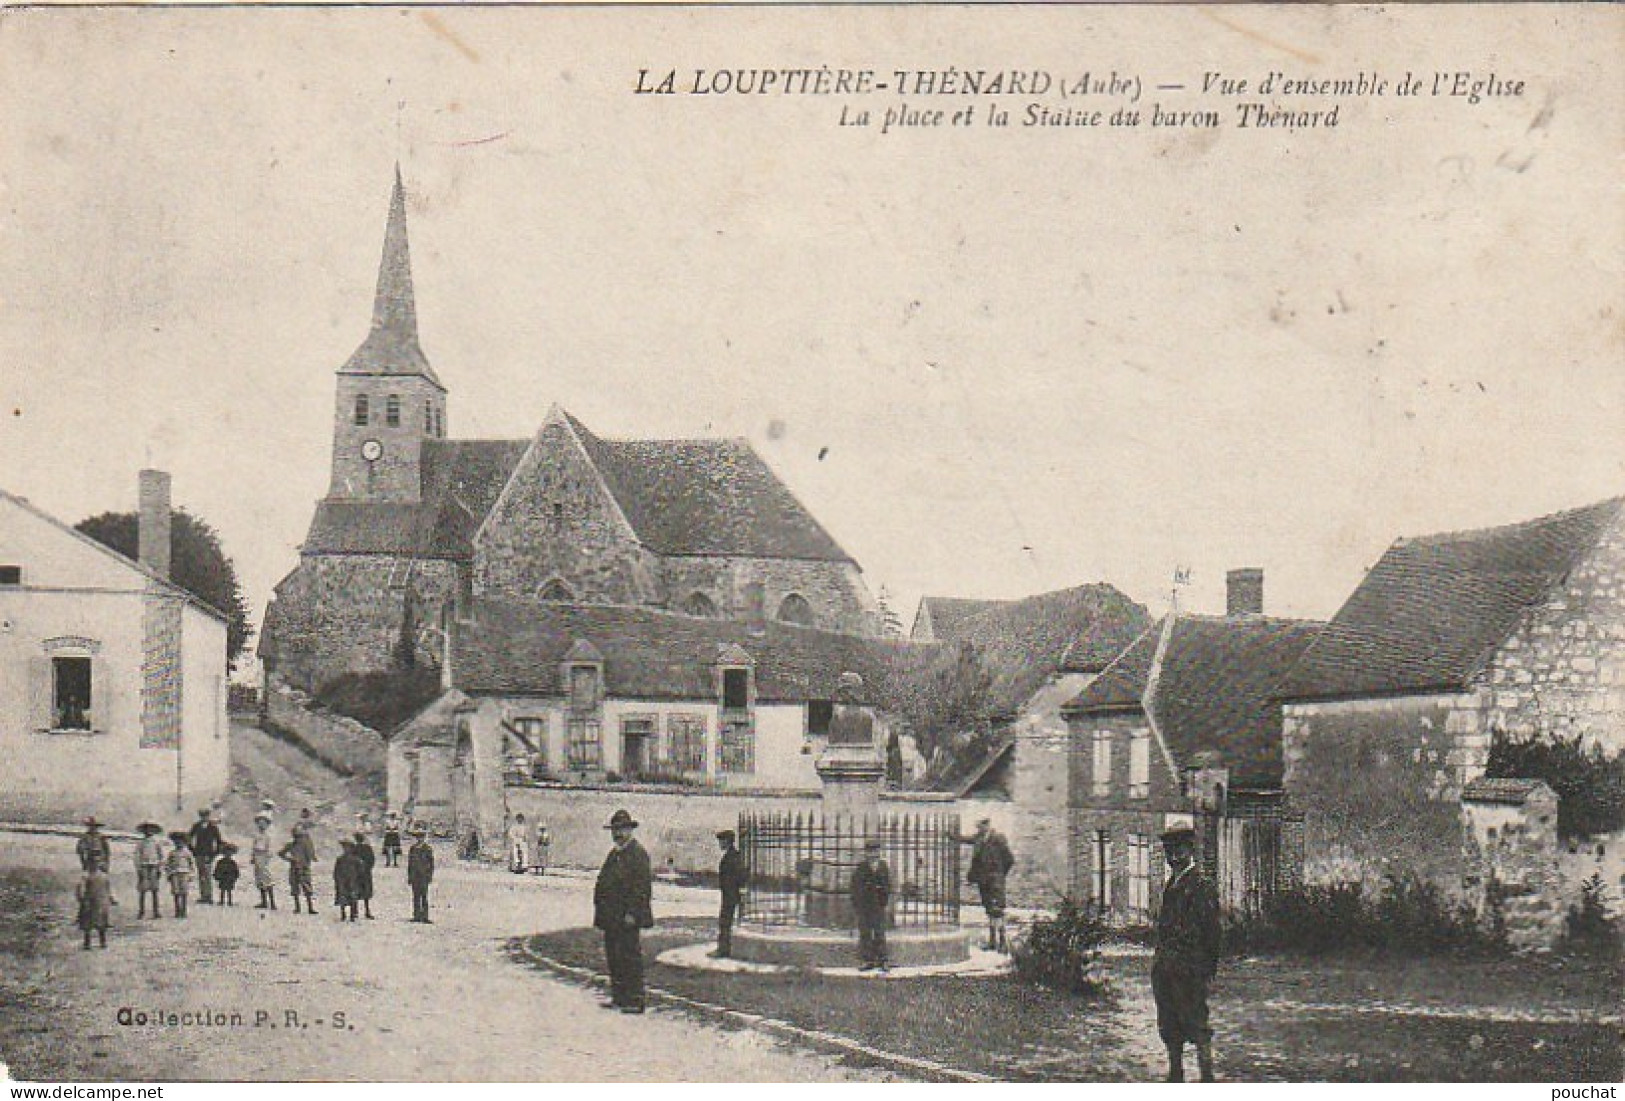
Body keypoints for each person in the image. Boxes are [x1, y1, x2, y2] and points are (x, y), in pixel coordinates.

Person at [1151, 826, 1222, 1083]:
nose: (1174, 857)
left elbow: (1212, 933)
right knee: (1169, 1024)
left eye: (1179, 850)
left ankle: (1207, 1077)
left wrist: (1205, 968)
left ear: (1190, 850)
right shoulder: (1172, 884)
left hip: (1190, 969)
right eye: (1169, 851)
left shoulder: (1202, 886)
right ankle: (1175, 1074)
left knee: (1196, 1023)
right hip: (1167, 967)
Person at [592, 809, 654, 1013]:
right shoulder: (614, 854)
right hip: (611, 916)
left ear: (630, 830)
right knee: (614, 956)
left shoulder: (638, 855)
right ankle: (619, 997)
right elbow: (603, 881)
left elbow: (642, 889)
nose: (617, 834)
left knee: (630, 956)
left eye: (621, 830)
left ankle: (635, 1000)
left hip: (627, 917)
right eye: (614, 830)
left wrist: (633, 913)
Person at [967, 818, 1016, 953]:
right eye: (978, 826)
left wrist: (1000, 874)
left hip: (995, 880)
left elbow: (1009, 859)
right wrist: (951, 836)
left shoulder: (998, 839)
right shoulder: (979, 838)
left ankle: (1002, 942)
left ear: (987, 825)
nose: (980, 829)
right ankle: (992, 941)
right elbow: (965, 839)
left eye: (982, 825)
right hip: (983, 881)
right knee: (989, 909)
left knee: (998, 910)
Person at [850, 837, 891, 972]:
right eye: (869, 851)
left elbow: (887, 885)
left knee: (879, 933)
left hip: (878, 905)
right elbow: (855, 886)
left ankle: (883, 960)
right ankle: (867, 960)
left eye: (875, 851)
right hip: (865, 906)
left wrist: (884, 899)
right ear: (866, 853)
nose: (872, 854)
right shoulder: (861, 867)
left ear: (879, 852)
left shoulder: (883, 866)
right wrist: (857, 903)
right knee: (865, 933)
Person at [712, 829, 747, 959]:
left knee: (724, 923)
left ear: (727, 841)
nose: (720, 844)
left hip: (730, 895)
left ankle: (723, 950)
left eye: (721, 841)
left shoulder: (732, 857)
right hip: (729, 894)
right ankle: (723, 949)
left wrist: (737, 892)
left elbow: (740, 875)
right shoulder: (732, 855)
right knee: (724, 922)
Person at [76, 855, 115, 949]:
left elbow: (108, 889)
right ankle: (89, 943)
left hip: (98, 902)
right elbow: (80, 889)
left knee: (99, 922)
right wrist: (82, 899)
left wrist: (110, 898)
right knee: (89, 923)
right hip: (91, 902)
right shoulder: (86, 877)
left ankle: (101, 942)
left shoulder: (102, 876)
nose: (95, 865)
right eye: (94, 863)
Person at [279, 822, 318, 914]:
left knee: (306, 888)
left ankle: (309, 908)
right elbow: (280, 853)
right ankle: (299, 908)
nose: (298, 838)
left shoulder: (305, 844)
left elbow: (311, 856)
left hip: (303, 868)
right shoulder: (291, 845)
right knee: (295, 888)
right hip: (296, 868)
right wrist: (290, 859)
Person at [187, 807, 222, 904]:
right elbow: (188, 838)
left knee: (207, 875)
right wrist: (192, 850)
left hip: (209, 854)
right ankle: (203, 895)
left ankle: (209, 896)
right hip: (198, 854)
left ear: (208, 816)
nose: (204, 818)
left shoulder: (213, 827)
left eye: (206, 816)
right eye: (202, 816)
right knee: (201, 874)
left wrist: (215, 853)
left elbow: (219, 841)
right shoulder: (196, 826)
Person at [133, 822, 165, 919]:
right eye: (146, 830)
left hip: (154, 866)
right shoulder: (140, 843)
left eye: (151, 830)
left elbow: (161, 856)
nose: (148, 832)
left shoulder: (156, 842)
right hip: (144, 867)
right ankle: (141, 911)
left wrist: (160, 867)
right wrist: (139, 869)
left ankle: (156, 911)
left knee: (155, 890)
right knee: (142, 890)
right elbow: (137, 856)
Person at [406, 825, 435, 923]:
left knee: (424, 896)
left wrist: (429, 875)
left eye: (421, 836)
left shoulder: (428, 849)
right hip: (415, 875)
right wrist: (409, 876)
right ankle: (416, 915)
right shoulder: (413, 848)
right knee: (415, 896)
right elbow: (410, 863)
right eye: (418, 836)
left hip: (424, 875)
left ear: (424, 837)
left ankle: (425, 916)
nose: (419, 838)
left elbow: (431, 864)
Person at [164, 832, 194, 919]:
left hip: (185, 873)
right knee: (176, 892)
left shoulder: (187, 853)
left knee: (184, 892)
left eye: (181, 842)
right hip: (174, 873)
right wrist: (169, 873)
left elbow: (191, 864)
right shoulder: (172, 853)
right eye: (177, 842)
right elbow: (168, 864)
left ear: (185, 843)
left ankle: (183, 911)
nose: (179, 844)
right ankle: (177, 910)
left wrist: (191, 874)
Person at [251, 812, 277, 910]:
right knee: (259, 879)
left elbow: (269, 849)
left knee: (267, 879)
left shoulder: (268, 836)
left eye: (263, 823)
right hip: (257, 857)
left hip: (264, 857)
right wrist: (253, 856)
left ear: (267, 824)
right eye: (259, 823)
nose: (261, 825)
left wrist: (266, 857)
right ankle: (264, 902)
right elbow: (254, 846)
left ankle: (272, 903)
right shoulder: (256, 835)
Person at [333, 839, 362, 922]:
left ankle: (352, 914)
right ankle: (343, 914)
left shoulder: (356, 860)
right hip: (342, 880)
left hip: (353, 881)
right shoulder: (340, 859)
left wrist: (358, 878)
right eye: (344, 847)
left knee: (352, 897)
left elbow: (360, 870)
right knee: (343, 897)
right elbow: (336, 870)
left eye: (347, 847)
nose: (346, 849)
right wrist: (337, 879)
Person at [352, 830, 376, 919]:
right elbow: (372, 860)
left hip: (357, 874)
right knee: (366, 893)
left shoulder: (354, 849)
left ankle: (355, 912)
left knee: (356, 892)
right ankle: (367, 911)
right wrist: (367, 868)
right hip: (365, 873)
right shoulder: (367, 848)